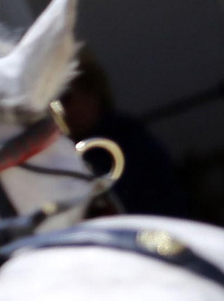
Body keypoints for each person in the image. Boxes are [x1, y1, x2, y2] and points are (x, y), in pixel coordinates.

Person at [62, 49, 193, 218]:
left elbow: (165, 206)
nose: (62, 112)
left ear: (92, 92)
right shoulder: (66, 153)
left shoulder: (129, 139)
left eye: (66, 99)